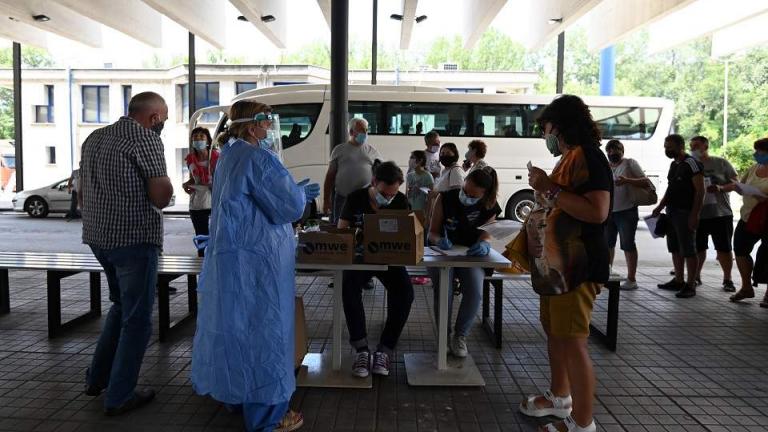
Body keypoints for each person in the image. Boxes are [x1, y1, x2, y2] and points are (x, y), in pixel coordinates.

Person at [191, 100, 318, 432]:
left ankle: (236, 395)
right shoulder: (259, 158)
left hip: (233, 260)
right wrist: (301, 196)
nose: (268, 128)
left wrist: (292, 193)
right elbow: (288, 207)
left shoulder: (229, 156)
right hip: (260, 262)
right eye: (264, 122)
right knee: (265, 333)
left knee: (236, 328)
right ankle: (268, 416)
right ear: (251, 127)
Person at [518, 95, 612, 432]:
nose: (545, 136)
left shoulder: (589, 157)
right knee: (556, 332)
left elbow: (597, 211)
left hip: (578, 268)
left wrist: (549, 189)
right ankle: (560, 397)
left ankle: (582, 423)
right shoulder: (570, 158)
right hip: (556, 268)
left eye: (546, 129)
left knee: (573, 340)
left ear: (559, 126)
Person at [79, 91, 174, 416]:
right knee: (137, 321)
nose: (162, 124)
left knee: (121, 307)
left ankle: (98, 377)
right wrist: (170, 189)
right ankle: (120, 395)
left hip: (98, 237)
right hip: (133, 239)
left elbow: (82, 189)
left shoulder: (94, 138)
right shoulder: (145, 139)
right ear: (153, 118)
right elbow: (160, 196)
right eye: (163, 118)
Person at [338, 161, 414, 378]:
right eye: (384, 194)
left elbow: (406, 233)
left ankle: (385, 349)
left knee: (405, 292)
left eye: (392, 194)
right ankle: (361, 349)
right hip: (361, 257)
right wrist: (358, 237)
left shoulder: (400, 201)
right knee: (349, 287)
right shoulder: (356, 198)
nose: (388, 199)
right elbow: (342, 229)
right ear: (373, 183)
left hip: (389, 257)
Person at [428, 168, 500, 358]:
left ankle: (460, 336)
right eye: (464, 191)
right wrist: (438, 241)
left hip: (471, 254)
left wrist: (484, 243)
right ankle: (444, 335)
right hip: (443, 253)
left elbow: (487, 234)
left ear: (484, 195)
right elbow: (432, 232)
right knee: (444, 290)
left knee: (475, 290)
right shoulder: (446, 198)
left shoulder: (490, 205)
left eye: (472, 196)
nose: (466, 197)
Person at [653, 134, 705, 298]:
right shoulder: (673, 165)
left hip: (685, 212)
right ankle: (678, 280)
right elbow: (671, 188)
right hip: (671, 212)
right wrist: (660, 206)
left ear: (680, 146)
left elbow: (700, 191)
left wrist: (694, 214)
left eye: (669, 146)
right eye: (665, 146)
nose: (666, 149)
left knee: (688, 249)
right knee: (674, 248)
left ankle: (691, 285)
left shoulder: (692, 163)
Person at [689, 136, 738, 292]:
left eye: (697, 145)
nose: (694, 149)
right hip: (698, 213)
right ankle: (695, 277)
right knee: (698, 248)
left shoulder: (720, 162)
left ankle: (728, 279)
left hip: (720, 213)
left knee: (723, 248)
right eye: (691, 146)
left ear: (706, 146)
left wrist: (721, 188)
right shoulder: (689, 165)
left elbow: (736, 183)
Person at [604, 139, 652, 290]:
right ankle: (607, 274)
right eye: (610, 150)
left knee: (628, 244)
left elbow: (646, 182)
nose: (613, 153)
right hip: (608, 211)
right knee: (607, 244)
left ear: (622, 151)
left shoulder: (629, 163)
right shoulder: (605, 166)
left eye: (616, 150)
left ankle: (632, 279)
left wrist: (627, 181)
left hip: (627, 211)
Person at [726, 138, 768, 305]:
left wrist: (763, 197)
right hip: (748, 217)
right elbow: (739, 186)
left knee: (766, 255)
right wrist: (730, 187)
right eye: (756, 151)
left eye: (761, 152)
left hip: (767, 220)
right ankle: (746, 287)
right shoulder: (753, 168)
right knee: (741, 250)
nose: (756, 155)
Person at [323, 118, 381, 224]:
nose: (365, 133)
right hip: (342, 198)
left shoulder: (372, 151)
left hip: (365, 200)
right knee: (341, 230)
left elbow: (379, 176)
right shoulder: (339, 150)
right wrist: (326, 200)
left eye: (366, 130)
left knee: (364, 228)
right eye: (361, 130)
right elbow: (330, 176)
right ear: (351, 132)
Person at [183, 127, 219, 257]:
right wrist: (186, 184)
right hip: (197, 204)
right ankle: (201, 268)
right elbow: (194, 178)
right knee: (201, 238)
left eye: (201, 137)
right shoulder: (190, 159)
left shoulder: (217, 157)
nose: (198, 139)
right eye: (195, 137)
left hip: (215, 202)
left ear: (208, 140)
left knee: (217, 237)